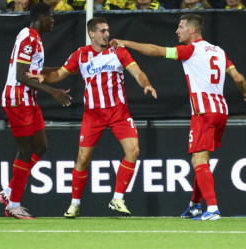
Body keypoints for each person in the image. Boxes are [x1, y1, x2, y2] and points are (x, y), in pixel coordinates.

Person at [111, 13, 246, 221]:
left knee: (198, 159)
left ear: (192, 30)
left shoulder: (191, 50)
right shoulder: (220, 52)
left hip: (203, 110)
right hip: (221, 110)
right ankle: (194, 205)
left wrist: (126, 42)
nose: (177, 31)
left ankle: (212, 209)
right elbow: (238, 78)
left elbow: (155, 51)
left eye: (181, 27)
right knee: (202, 159)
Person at [27, 17, 156, 218]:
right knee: (83, 158)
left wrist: (146, 84)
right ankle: (74, 204)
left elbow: (137, 73)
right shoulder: (80, 54)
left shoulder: (118, 51)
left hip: (119, 112)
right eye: (102, 31)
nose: (107, 34)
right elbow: (60, 73)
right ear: (92, 34)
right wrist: (45, 78)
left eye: (108, 30)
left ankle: (118, 199)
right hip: (93, 115)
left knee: (133, 151)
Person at [0, 3, 72, 219]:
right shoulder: (30, 38)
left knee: (41, 146)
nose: (53, 21)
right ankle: (14, 205)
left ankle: (10, 192)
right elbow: (21, 75)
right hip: (18, 98)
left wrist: (66, 71)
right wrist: (53, 91)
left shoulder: (34, 37)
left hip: (28, 98)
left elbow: (35, 71)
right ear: (41, 17)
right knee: (26, 151)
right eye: (51, 16)